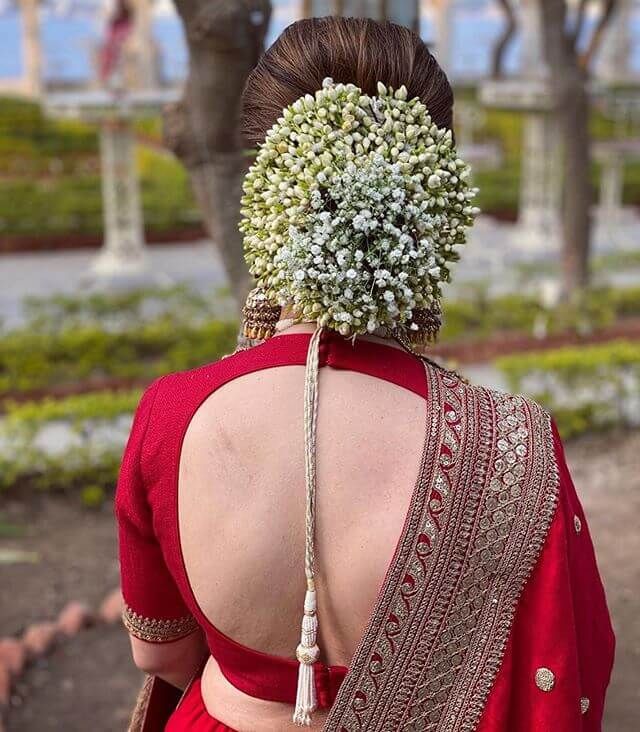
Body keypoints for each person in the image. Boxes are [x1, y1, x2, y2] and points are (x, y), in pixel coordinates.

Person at [116, 17, 615, 732]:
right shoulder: (513, 446)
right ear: (430, 207)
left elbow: (161, 656)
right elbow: (566, 666)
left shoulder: (172, 415)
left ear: (267, 200)